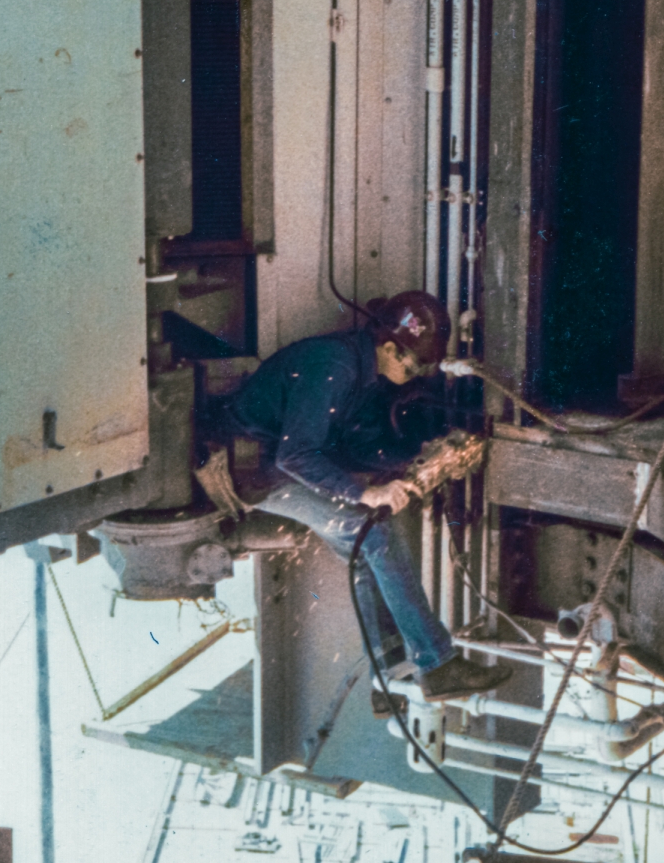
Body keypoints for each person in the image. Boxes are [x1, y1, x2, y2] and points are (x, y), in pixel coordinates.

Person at [201, 292, 511, 703]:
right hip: (253, 470)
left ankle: (390, 678)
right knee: (374, 534)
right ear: (388, 347)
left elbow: (350, 445)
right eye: (414, 365)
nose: (416, 374)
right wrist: (365, 493)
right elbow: (294, 455)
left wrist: (419, 459)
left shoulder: (360, 372)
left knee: (366, 550)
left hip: (272, 463)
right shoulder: (335, 365)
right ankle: (438, 665)